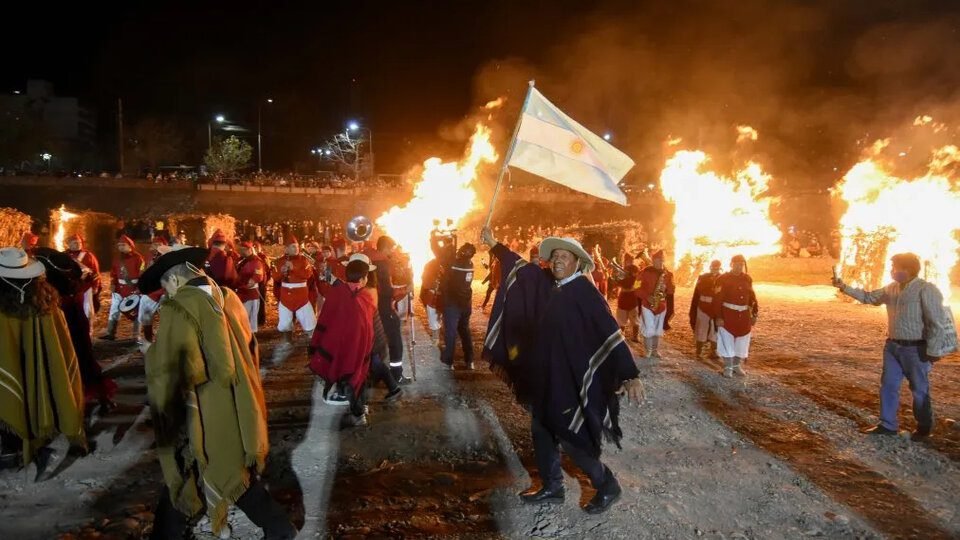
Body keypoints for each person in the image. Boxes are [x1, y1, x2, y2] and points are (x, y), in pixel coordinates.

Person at [137, 245, 297, 540]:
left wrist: (152, 354)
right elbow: (249, 347)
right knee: (230, 465)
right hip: (237, 397)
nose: (166, 294)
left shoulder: (179, 307)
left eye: (164, 287)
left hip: (204, 405)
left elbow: (181, 369)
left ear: (174, 280)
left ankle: (278, 528)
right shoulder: (228, 296)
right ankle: (278, 528)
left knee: (192, 464)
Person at [480, 227, 644, 514]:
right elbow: (521, 268)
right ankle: (552, 487)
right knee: (541, 430)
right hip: (546, 377)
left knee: (571, 435)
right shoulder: (550, 284)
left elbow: (610, 333)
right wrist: (495, 244)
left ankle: (606, 483)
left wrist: (630, 374)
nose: (556, 261)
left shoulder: (584, 292)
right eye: (554, 256)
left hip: (569, 379)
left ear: (577, 262)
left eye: (564, 256)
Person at [834, 252, 957, 441]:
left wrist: (933, 351)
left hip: (916, 349)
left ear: (907, 269)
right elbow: (868, 297)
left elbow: (937, 323)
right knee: (888, 386)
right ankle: (887, 425)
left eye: (895, 268)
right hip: (892, 347)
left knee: (918, 389)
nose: (892, 271)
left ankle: (924, 426)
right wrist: (843, 287)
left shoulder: (926, 289)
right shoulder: (891, 288)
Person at [0, 247, 87, 477]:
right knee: (34, 388)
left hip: (7, 379)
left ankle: (10, 448)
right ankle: (32, 437)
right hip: (38, 378)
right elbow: (61, 352)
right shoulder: (48, 302)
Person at [310, 254, 397, 427]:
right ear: (364, 278)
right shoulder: (364, 297)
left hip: (346, 347)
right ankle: (359, 413)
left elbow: (327, 316)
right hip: (360, 348)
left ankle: (360, 411)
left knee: (357, 379)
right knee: (356, 378)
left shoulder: (340, 293)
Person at [365, 235, 408, 382]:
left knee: (375, 342)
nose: (393, 252)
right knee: (395, 341)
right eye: (391, 249)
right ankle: (396, 375)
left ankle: (374, 373)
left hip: (370, 308)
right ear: (385, 248)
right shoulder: (383, 264)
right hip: (384, 308)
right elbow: (386, 290)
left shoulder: (368, 260)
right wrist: (404, 290)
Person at [712, 255, 758, 378]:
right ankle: (728, 367)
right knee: (727, 341)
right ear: (731, 264)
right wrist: (718, 316)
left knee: (742, 342)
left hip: (743, 316)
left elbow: (752, 297)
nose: (739, 266)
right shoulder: (723, 279)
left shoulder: (747, 278)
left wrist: (754, 314)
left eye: (741, 264)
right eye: (737, 264)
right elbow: (717, 299)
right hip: (728, 315)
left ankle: (736, 366)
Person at [273, 234, 317, 344]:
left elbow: (307, 274)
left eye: (297, 246)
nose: (296, 248)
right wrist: (281, 272)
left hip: (301, 297)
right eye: (293, 246)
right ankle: (287, 341)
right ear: (286, 249)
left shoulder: (304, 260)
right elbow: (275, 277)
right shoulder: (279, 261)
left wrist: (294, 268)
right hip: (286, 297)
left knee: (309, 322)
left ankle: (312, 342)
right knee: (285, 322)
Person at [439, 243, 477, 370]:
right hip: (466, 303)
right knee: (464, 330)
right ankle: (470, 360)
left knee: (450, 332)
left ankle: (449, 361)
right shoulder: (470, 265)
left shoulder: (454, 264)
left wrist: (445, 247)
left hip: (453, 303)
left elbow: (441, 259)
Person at [101, 235, 145, 341]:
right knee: (114, 310)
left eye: (123, 245)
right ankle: (111, 332)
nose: (120, 247)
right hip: (119, 289)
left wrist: (139, 288)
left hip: (133, 288)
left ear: (130, 246)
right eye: (119, 245)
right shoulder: (117, 258)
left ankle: (135, 335)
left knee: (136, 311)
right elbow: (113, 273)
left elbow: (143, 274)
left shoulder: (138, 258)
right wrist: (113, 284)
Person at [636, 250, 675, 359]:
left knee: (658, 329)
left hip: (661, 304)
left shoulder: (668, 274)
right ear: (653, 260)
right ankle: (647, 351)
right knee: (648, 327)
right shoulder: (643, 272)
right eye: (657, 260)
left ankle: (655, 350)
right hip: (647, 304)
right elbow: (635, 286)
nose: (659, 262)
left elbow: (672, 291)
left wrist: (666, 288)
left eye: (661, 260)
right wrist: (646, 296)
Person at [66, 233, 101, 328]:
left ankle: (89, 331)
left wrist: (95, 286)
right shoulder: (64, 256)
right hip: (70, 288)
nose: (78, 244)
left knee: (87, 310)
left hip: (86, 286)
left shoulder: (88, 255)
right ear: (68, 244)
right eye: (74, 243)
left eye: (79, 242)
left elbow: (95, 271)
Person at [690, 260, 722, 359]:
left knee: (715, 330)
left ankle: (714, 350)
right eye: (713, 267)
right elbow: (699, 290)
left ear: (719, 267)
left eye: (717, 267)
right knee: (701, 328)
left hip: (715, 307)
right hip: (703, 306)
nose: (715, 269)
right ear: (710, 267)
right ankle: (699, 351)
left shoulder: (723, 279)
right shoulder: (703, 277)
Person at [237, 241, 266, 333]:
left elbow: (258, 275)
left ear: (250, 250)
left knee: (249, 316)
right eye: (240, 250)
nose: (241, 252)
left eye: (243, 250)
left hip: (251, 293)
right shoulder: (242, 260)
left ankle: (251, 335)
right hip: (242, 291)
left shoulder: (256, 261)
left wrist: (253, 280)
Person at [615, 263, 641, 342]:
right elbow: (636, 287)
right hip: (630, 300)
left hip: (627, 299)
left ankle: (624, 337)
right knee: (631, 320)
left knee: (624, 320)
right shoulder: (635, 278)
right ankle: (634, 337)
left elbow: (636, 287)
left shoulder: (635, 278)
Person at [420, 256, 442, 344]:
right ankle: (436, 336)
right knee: (435, 316)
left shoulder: (433, 265)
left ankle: (436, 338)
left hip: (434, 295)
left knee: (434, 316)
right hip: (433, 294)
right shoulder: (432, 265)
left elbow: (425, 281)